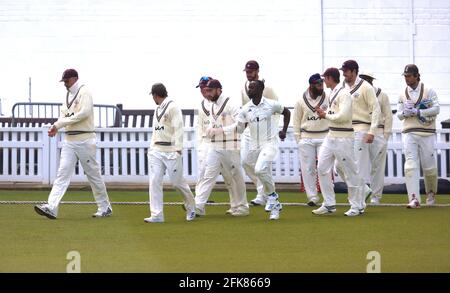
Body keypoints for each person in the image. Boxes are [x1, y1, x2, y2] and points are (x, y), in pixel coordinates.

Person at [34, 69, 112, 219]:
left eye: (67, 81)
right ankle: (51, 207)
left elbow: (84, 113)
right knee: (62, 174)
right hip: (69, 141)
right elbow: (64, 116)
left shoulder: (85, 92)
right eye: (63, 81)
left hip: (85, 139)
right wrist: (56, 126)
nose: (65, 84)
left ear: (75, 78)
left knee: (93, 175)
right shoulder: (67, 96)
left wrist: (59, 124)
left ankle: (105, 207)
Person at [313, 68, 365, 217]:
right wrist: (325, 113)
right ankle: (329, 203)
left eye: (325, 79)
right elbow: (333, 113)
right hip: (331, 135)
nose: (323, 81)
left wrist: (326, 115)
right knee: (322, 167)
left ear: (330, 78)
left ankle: (357, 206)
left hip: (344, 137)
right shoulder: (332, 93)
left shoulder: (344, 94)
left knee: (349, 171)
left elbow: (343, 115)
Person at [237, 80, 291, 220]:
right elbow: (240, 128)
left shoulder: (271, 104)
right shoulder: (245, 108)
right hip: (254, 143)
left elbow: (287, 112)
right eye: (249, 87)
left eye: (253, 87)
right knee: (246, 163)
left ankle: (271, 197)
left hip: (269, 143)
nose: (249, 90)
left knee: (260, 170)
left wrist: (283, 130)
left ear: (261, 89)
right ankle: (275, 204)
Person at [195, 79, 249, 216]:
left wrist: (222, 130)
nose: (208, 94)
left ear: (219, 90)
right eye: (207, 91)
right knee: (208, 174)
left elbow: (242, 124)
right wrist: (210, 129)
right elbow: (215, 123)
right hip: (215, 146)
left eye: (211, 90)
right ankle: (198, 206)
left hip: (231, 145)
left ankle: (242, 207)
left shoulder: (231, 103)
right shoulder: (212, 105)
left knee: (235, 176)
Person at [144, 83, 196, 223]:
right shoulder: (157, 109)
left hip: (171, 150)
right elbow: (156, 131)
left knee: (177, 183)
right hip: (156, 151)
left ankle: (191, 207)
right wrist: (151, 147)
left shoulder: (173, 107)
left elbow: (179, 128)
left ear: (155, 95)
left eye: (153, 96)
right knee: (154, 181)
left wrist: (178, 149)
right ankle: (157, 214)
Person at [338, 60, 381, 213]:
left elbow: (376, 109)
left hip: (362, 129)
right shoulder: (341, 87)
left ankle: (358, 205)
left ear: (354, 71)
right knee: (339, 166)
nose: (344, 73)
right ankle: (364, 190)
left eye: (347, 71)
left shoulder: (366, 87)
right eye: (343, 71)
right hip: (345, 131)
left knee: (358, 168)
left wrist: (372, 131)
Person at [397, 64, 440, 208]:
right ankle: (414, 198)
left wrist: (419, 112)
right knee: (410, 165)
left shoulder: (429, 90)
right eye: (405, 76)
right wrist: (405, 113)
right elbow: (399, 114)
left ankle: (431, 194)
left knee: (429, 166)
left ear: (416, 75)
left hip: (426, 132)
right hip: (409, 132)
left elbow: (436, 108)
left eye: (409, 76)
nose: (407, 79)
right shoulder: (403, 93)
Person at [241, 60, 279, 206]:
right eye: (247, 72)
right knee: (245, 161)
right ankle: (264, 190)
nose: (249, 74)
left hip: (265, 134)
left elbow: (276, 109)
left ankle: (265, 195)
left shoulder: (267, 89)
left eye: (251, 72)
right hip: (250, 131)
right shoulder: (243, 88)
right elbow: (245, 110)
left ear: (257, 71)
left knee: (264, 166)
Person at [194, 76, 234, 213]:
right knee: (203, 173)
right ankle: (199, 204)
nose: (202, 90)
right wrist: (200, 143)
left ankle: (236, 204)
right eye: (200, 88)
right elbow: (199, 126)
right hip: (205, 142)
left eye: (204, 88)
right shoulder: (201, 105)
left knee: (229, 176)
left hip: (222, 142)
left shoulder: (219, 103)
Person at [293, 73, 330, 206]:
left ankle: (327, 197)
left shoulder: (328, 98)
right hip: (306, 137)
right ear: (311, 85)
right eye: (319, 85)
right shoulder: (300, 101)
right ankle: (312, 197)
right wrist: (298, 139)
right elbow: (296, 121)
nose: (321, 87)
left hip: (324, 136)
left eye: (322, 84)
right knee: (308, 168)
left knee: (323, 167)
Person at [359, 72, 393, 205]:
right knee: (359, 165)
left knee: (377, 166)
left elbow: (388, 115)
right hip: (362, 132)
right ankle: (362, 192)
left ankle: (376, 197)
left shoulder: (382, 95)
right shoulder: (357, 94)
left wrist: (386, 136)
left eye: (366, 80)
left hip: (378, 133)